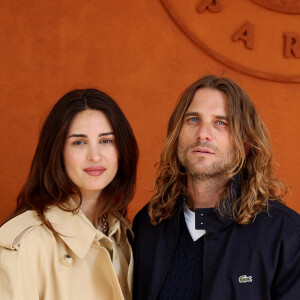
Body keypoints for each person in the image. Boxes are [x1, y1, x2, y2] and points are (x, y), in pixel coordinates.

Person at [132, 75, 300, 300]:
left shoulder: (285, 236)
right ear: (176, 133)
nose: (203, 134)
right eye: (193, 119)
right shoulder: (149, 224)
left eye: (221, 123)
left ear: (245, 143)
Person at [0, 88, 138, 300]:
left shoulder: (126, 236)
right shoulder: (24, 246)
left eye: (106, 140)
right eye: (79, 142)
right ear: (57, 152)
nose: (95, 156)